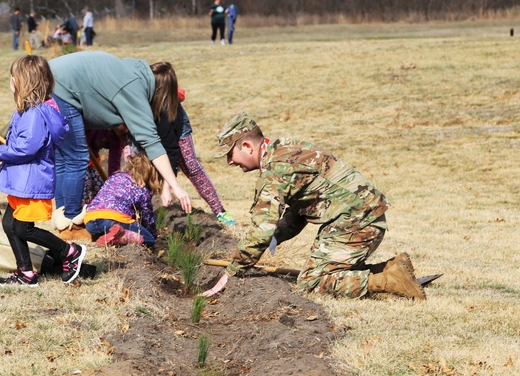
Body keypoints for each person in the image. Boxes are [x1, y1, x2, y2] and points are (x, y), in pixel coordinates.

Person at [201, 113, 426, 300]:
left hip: (356, 222)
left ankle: (391, 280)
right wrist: (275, 238)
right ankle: (392, 268)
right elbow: (299, 213)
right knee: (323, 273)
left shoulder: (274, 171)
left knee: (312, 282)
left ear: (247, 146)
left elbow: (261, 229)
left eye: (230, 154)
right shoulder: (285, 149)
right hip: (361, 216)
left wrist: (233, 270)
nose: (230, 162)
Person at [47, 51, 193, 233]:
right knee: (76, 160)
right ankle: (71, 224)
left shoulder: (133, 71)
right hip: (61, 86)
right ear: (160, 93)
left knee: (65, 159)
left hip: (50, 78)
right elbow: (152, 142)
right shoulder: (134, 88)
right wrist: (175, 186)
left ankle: (62, 223)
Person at [0, 55, 86, 287]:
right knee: (9, 225)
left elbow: (26, 148)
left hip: (31, 182)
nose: (11, 80)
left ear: (22, 82)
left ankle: (69, 251)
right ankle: (26, 273)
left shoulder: (35, 114)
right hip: (21, 180)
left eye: (14, 76)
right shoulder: (28, 110)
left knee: (23, 229)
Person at [150, 72, 235, 226]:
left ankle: (220, 212)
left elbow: (171, 150)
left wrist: (168, 186)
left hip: (177, 131)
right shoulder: (143, 100)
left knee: (192, 167)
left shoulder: (168, 107)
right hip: (155, 130)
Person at [85, 150, 162, 247]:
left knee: (107, 227)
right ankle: (121, 236)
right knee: (149, 239)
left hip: (90, 220)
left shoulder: (115, 177)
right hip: (112, 219)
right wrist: (152, 234)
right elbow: (148, 218)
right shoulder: (142, 188)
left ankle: (106, 235)